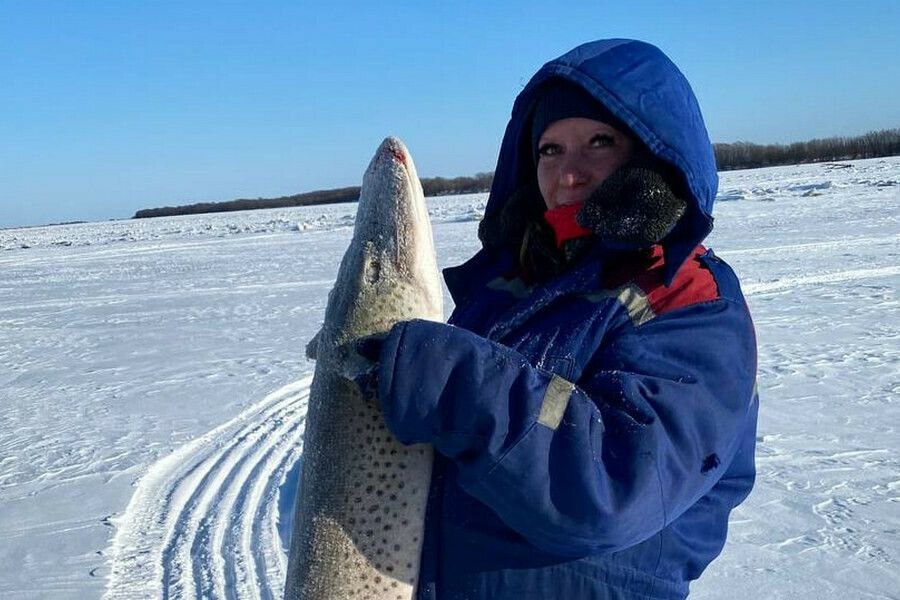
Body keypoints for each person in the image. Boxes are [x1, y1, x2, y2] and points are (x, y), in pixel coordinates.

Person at [362, 39, 758, 599]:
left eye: (599, 142)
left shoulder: (686, 298)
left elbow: (613, 487)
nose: (569, 173)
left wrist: (449, 379)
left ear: (652, 154)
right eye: (550, 149)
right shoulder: (509, 288)